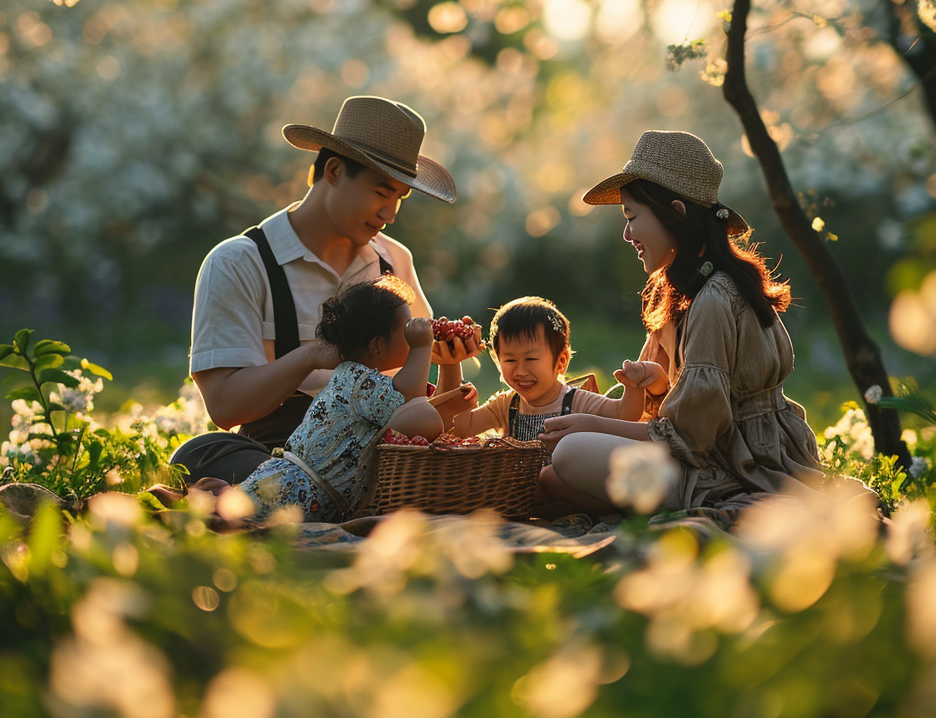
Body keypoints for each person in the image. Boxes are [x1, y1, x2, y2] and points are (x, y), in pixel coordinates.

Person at [172, 96, 481, 484]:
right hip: (278, 453)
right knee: (200, 454)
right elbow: (225, 406)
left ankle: (292, 502)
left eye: (400, 198)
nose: (390, 213)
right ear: (333, 170)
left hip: (375, 449)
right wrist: (314, 356)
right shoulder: (240, 262)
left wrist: (448, 357)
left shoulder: (393, 261)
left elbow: (413, 400)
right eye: (381, 192)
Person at [538, 130, 823, 514]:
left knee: (572, 452)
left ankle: (675, 507)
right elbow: (691, 401)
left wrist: (592, 425)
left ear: (675, 211)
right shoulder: (681, 288)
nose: (627, 234)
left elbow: (689, 436)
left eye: (632, 216)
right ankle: (642, 508)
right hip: (708, 452)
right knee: (550, 480)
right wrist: (658, 386)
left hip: (734, 466)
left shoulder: (715, 298)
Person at [240, 276, 443, 522]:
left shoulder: (358, 380)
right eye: (407, 329)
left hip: (301, 492)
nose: (413, 336)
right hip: (290, 492)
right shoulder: (358, 381)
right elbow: (411, 401)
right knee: (246, 530)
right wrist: (422, 347)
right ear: (376, 346)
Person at [443, 296, 641, 442]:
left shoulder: (576, 401)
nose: (520, 370)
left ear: (561, 361)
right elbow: (458, 427)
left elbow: (623, 414)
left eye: (531, 359)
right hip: (514, 493)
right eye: (510, 360)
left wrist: (634, 387)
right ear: (497, 360)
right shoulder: (506, 404)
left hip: (561, 486)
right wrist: (451, 362)